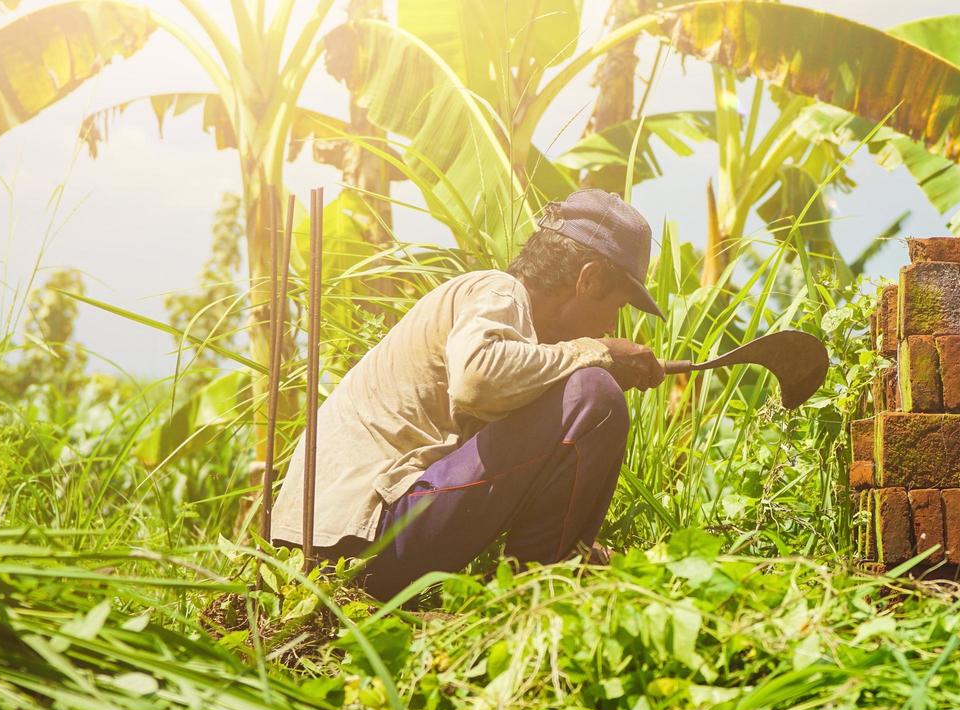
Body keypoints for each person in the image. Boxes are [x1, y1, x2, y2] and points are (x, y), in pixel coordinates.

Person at [269, 189, 666, 597]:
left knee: (583, 387)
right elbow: (476, 382)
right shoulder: (500, 291)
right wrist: (594, 354)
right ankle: (537, 591)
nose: (611, 324)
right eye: (619, 306)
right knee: (593, 395)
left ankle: (556, 571)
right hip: (366, 531)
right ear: (590, 278)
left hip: (332, 545)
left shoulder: (512, 333)